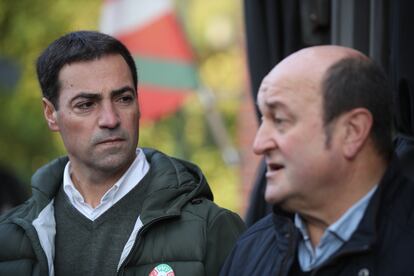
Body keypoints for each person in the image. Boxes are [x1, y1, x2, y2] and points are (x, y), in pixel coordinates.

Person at [0, 30, 245, 276]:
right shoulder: (9, 239)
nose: (110, 119)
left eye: (123, 99)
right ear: (51, 114)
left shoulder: (209, 228)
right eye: (86, 104)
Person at [220, 45, 414, 275]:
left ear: (352, 131)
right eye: (263, 120)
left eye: (280, 120)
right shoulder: (251, 251)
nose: (259, 145)